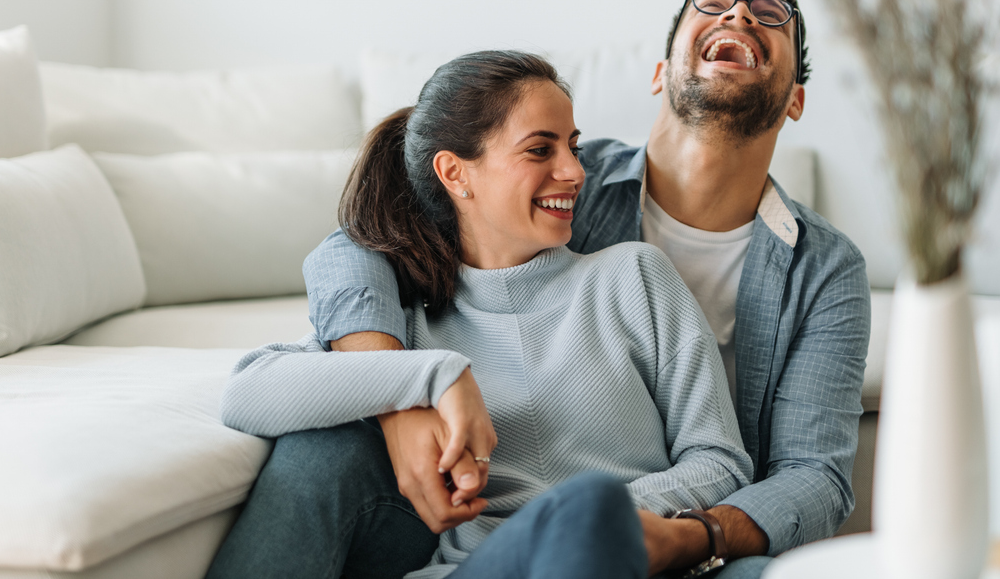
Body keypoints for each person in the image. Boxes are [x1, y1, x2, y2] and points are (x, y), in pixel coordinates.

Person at [211, 0, 872, 579]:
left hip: (676, 531)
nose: (738, 17)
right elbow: (357, 245)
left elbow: (807, 475)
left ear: (795, 101)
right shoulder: (499, 235)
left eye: (770, 12)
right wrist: (407, 389)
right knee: (319, 452)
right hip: (489, 551)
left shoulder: (788, 271)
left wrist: (657, 529)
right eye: (715, 2)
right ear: (658, 72)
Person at [211, 51, 753, 579]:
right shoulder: (406, 318)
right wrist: (432, 374)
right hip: (482, 566)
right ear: (454, 173)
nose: (573, 172)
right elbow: (246, 393)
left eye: (572, 146)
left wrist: (589, 518)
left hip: (628, 552)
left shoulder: (634, 277)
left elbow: (719, 461)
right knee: (315, 447)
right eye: (540, 150)